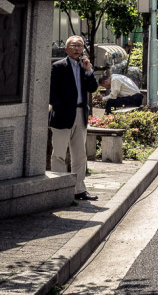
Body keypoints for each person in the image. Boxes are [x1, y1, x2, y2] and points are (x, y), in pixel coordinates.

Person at [49, 35, 99, 201]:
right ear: (66, 49)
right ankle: (59, 190)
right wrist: (60, 109)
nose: (77, 48)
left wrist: (89, 71)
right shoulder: (58, 66)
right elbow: (51, 92)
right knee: (59, 155)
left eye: (80, 46)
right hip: (62, 116)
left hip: (80, 115)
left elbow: (92, 88)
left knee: (80, 155)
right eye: (74, 46)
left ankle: (79, 190)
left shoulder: (84, 67)